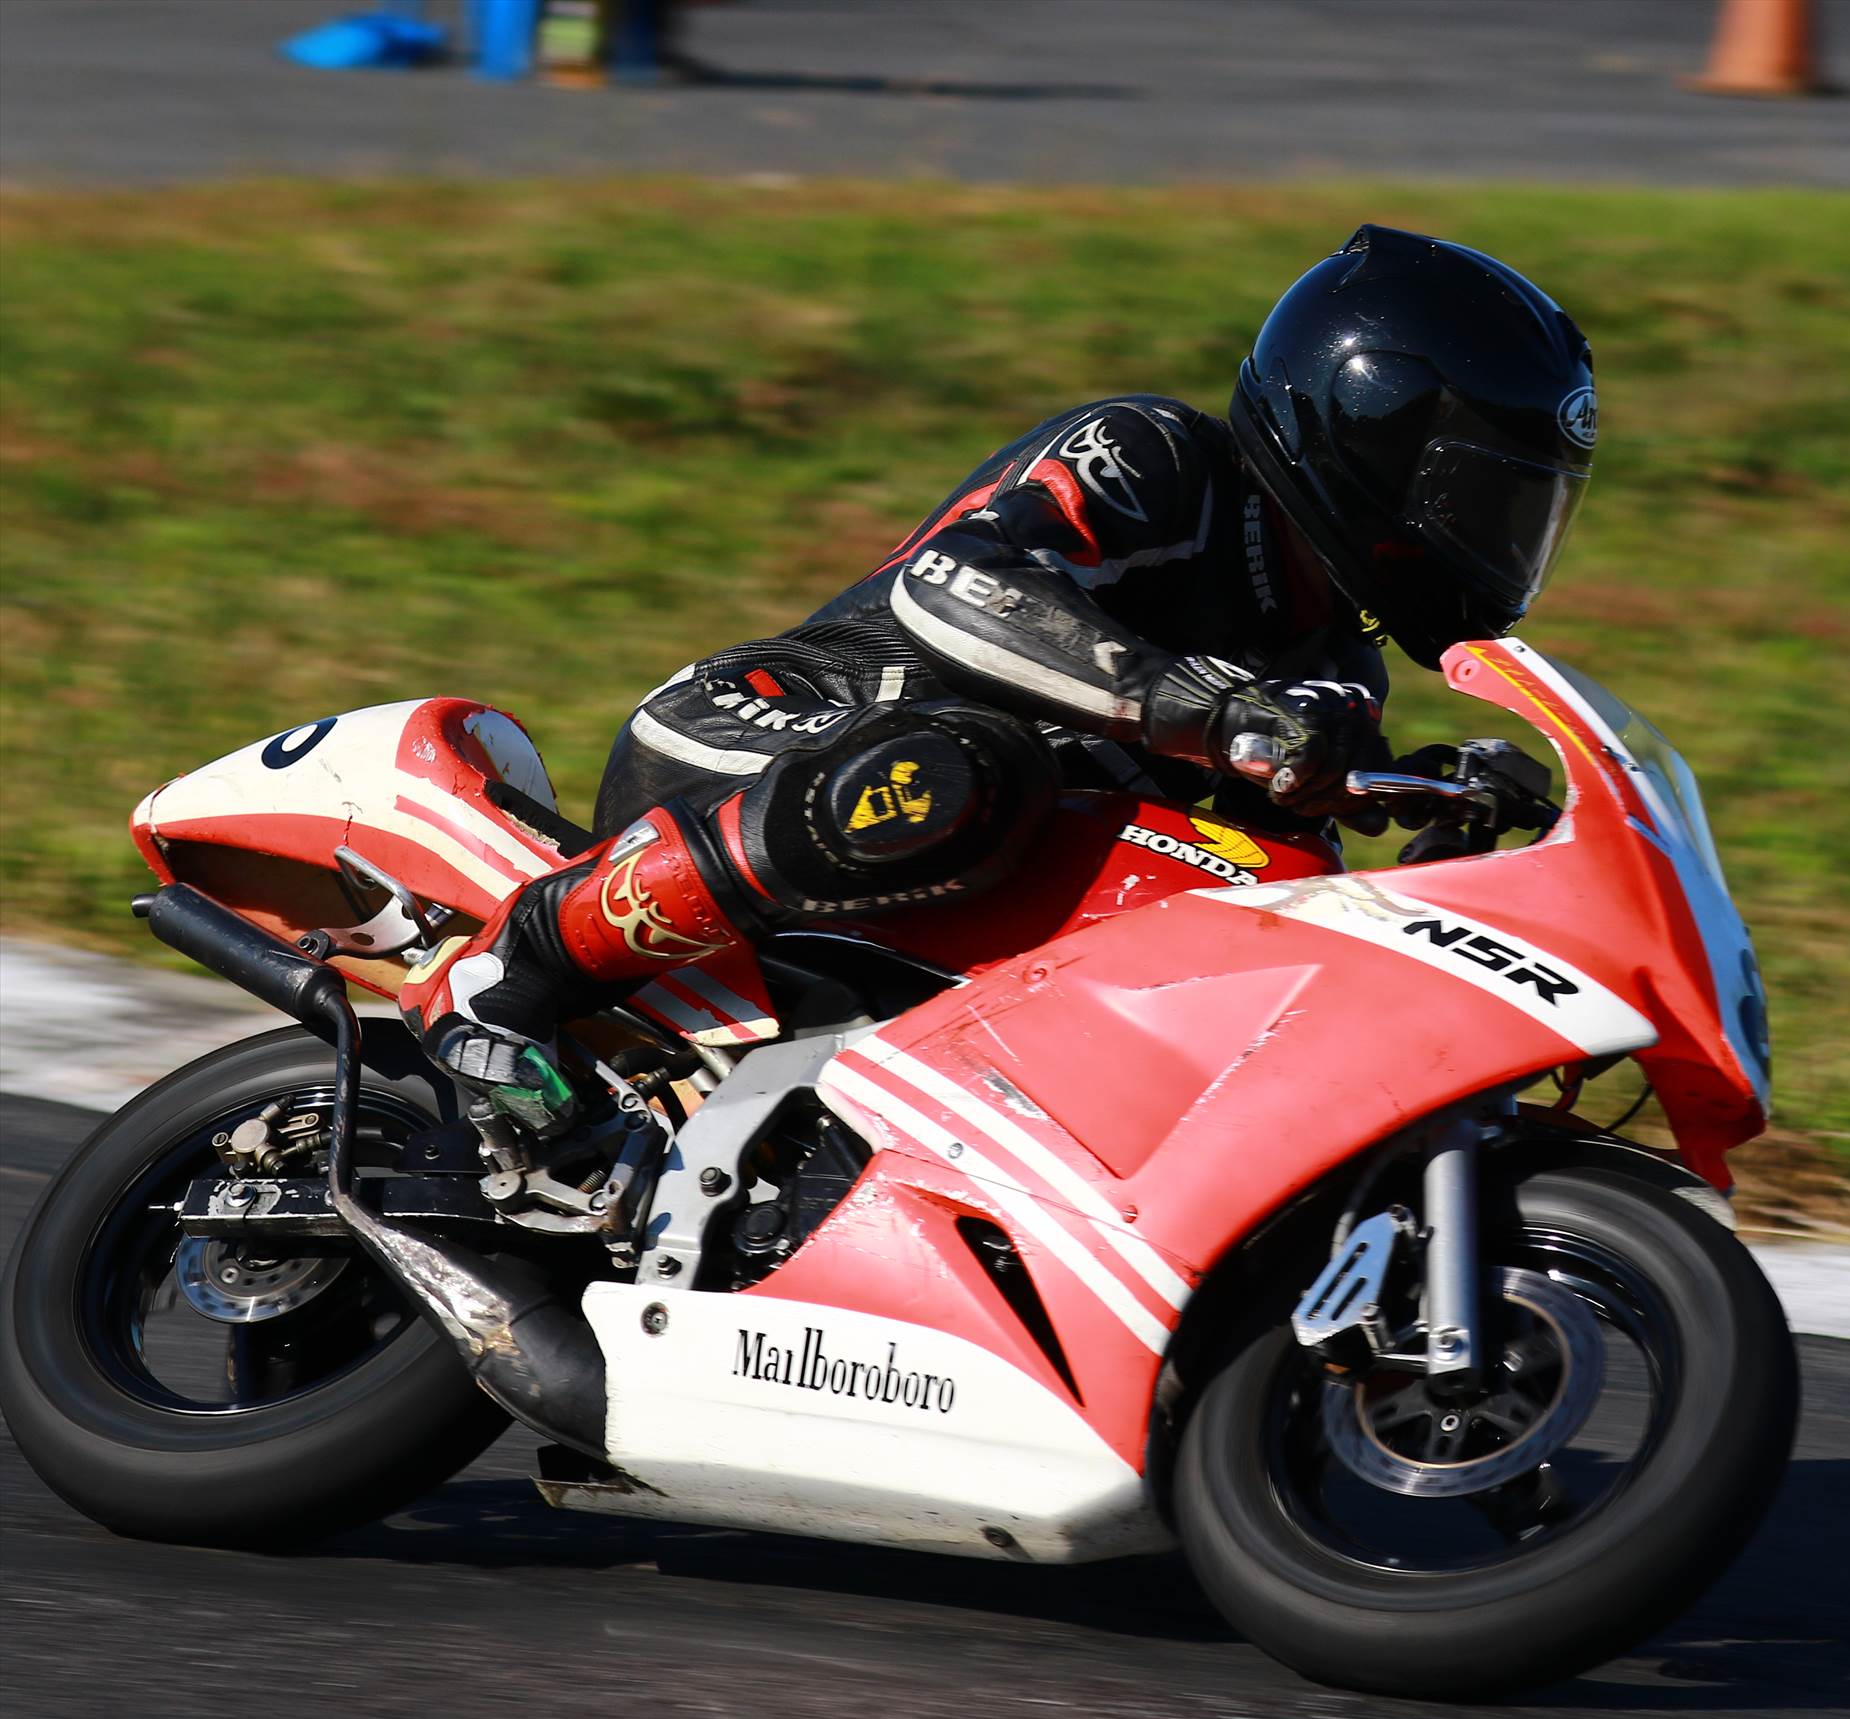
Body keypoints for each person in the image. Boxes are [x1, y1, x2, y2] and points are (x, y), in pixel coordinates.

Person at [402, 224, 1602, 1149]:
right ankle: (511, 975)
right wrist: (1209, 707)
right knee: (971, 767)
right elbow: (955, 591)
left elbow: (1274, 890)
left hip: (931, 873)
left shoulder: (1334, 663)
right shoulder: (1158, 461)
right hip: (762, 740)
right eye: (1479, 502)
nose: (1495, 544)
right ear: (1368, 433)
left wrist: (1439, 834)